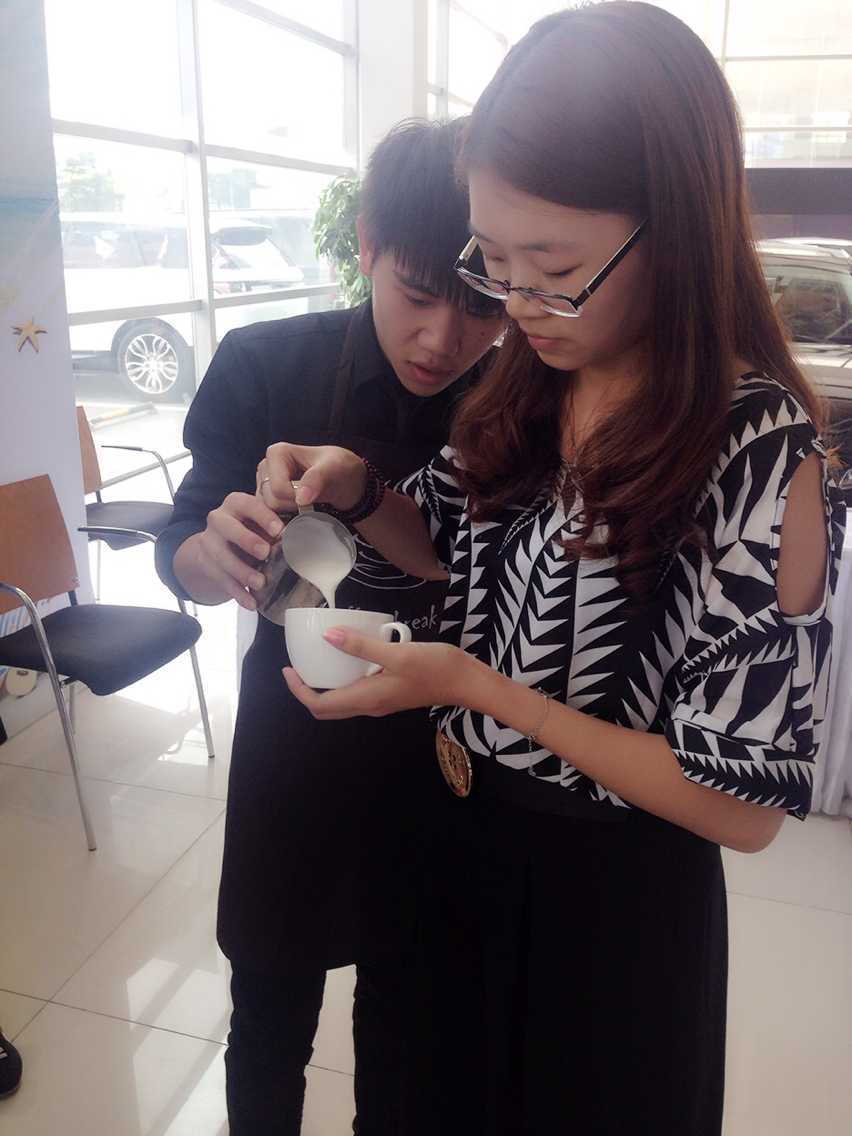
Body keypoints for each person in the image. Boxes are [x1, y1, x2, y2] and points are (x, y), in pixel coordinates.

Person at [258, 5, 845, 1134]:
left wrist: (479, 690)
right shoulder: (529, 381)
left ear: (676, 228)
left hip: (607, 911)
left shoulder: (759, 451)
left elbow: (741, 803)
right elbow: (445, 546)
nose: (518, 303)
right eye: (495, 260)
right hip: (447, 850)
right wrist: (358, 487)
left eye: (556, 268)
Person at [155, 119, 504, 1135]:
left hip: (446, 758)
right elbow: (181, 539)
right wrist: (210, 551)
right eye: (417, 293)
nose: (441, 340)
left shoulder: (520, 402)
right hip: (296, 745)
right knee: (269, 1019)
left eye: (481, 306)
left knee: (409, 1032)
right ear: (365, 246)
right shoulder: (268, 364)